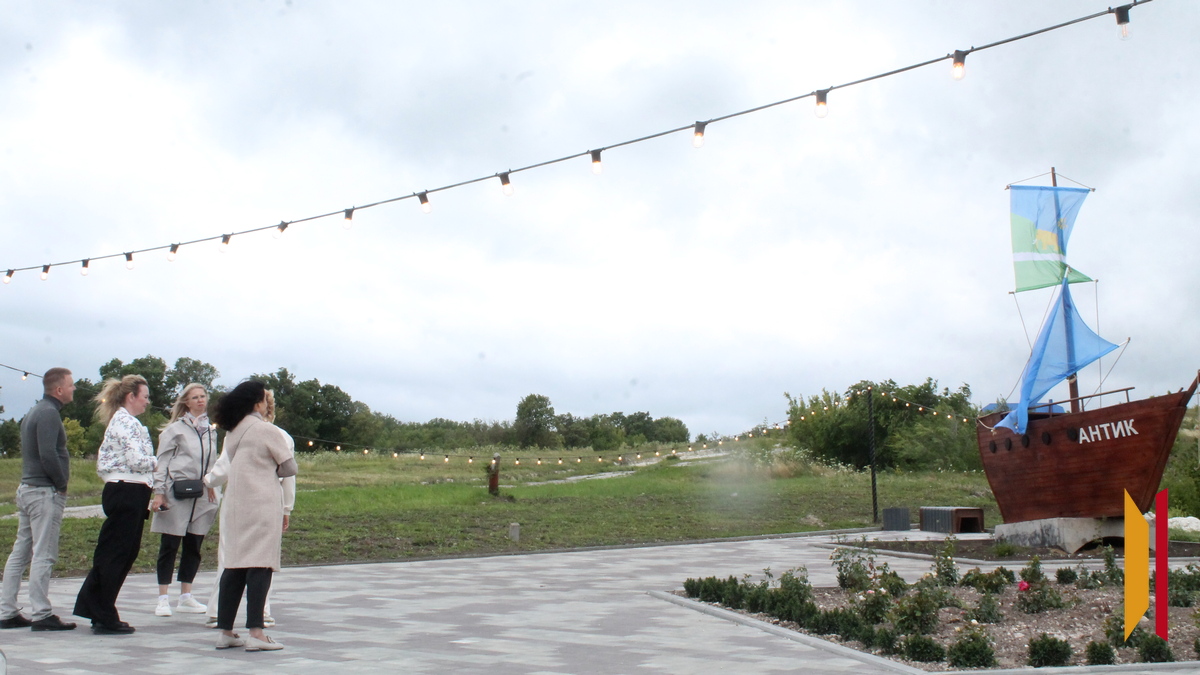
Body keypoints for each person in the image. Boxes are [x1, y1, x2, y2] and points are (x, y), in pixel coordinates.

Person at [205, 380, 296, 651]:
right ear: (258, 403)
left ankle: (225, 630)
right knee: (260, 563)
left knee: (234, 564)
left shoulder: (233, 431)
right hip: (262, 502)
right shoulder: (267, 430)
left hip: (236, 502)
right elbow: (289, 467)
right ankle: (256, 632)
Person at [73, 374, 158, 635]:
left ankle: (98, 607)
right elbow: (136, 460)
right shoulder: (125, 422)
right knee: (116, 553)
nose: (147, 402)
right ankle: (102, 611)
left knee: (121, 552)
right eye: (145, 397)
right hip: (126, 490)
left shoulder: (128, 422)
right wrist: (161, 461)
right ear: (131, 396)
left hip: (130, 491)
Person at [0, 367, 78, 631]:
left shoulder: (34, 411)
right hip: (44, 492)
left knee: (21, 551)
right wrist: (61, 483)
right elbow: (48, 454)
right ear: (59, 389)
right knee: (44, 553)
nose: (74, 389)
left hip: (28, 488)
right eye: (71, 385)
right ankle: (42, 614)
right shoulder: (48, 413)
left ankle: (7, 611)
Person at [150, 384, 219, 617]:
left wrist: (211, 483)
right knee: (170, 544)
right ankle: (162, 598)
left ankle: (186, 595)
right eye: (195, 397)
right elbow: (162, 462)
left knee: (194, 544)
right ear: (186, 402)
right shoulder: (175, 430)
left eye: (203, 396)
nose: (200, 400)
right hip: (177, 492)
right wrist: (159, 492)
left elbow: (212, 461)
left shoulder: (210, 430)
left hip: (202, 494)